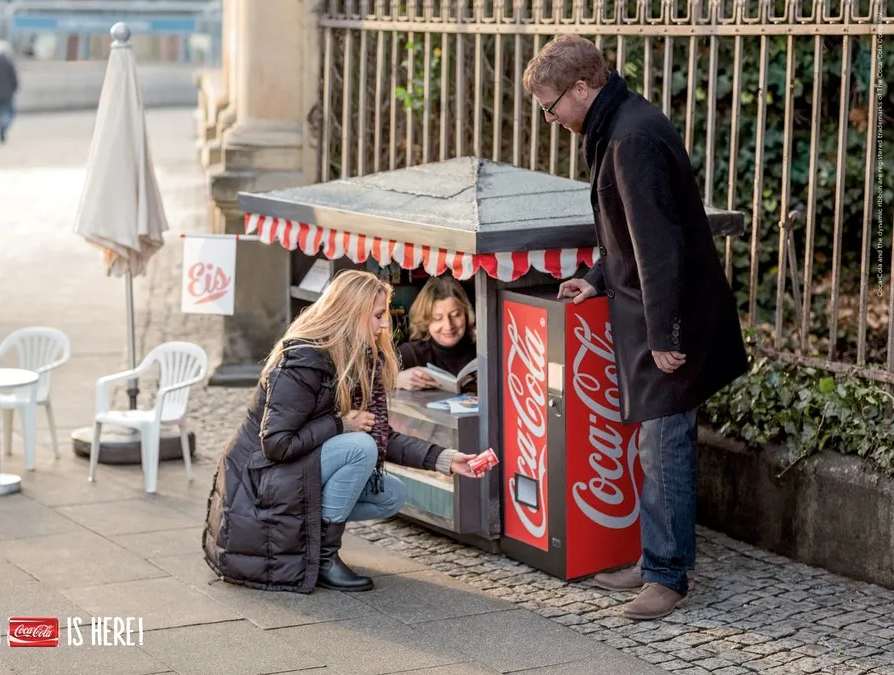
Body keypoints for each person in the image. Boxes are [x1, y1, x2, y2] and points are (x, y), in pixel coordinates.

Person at [523, 36, 748, 620]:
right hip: (656, 314)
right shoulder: (619, 124)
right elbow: (625, 232)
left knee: (664, 445)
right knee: (655, 443)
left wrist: (666, 335)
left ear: (581, 88)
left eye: (550, 107)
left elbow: (659, 246)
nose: (550, 120)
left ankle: (667, 577)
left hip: (669, 321)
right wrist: (595, 279)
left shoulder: (630, 138)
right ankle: (656, 563)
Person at [203, 270, 483, 593]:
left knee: (391, 494)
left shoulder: (355, 358)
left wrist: (445, 459)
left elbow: (381, 435)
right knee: (359, 447)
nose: (384, 325)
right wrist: (341, 424)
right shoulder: (302, 361)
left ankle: (310, 540)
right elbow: (276, 445)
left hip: (290, 474)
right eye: (378, 315)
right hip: (258, 486)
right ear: (352, 313)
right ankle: (324, 557)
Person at [396, 275, 477, 391]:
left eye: (455, 315)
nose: (448, 326)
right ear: (424, 320)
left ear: (467, 314)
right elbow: (370, 380)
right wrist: (395, 380)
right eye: (437, 318)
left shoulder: (481, 351)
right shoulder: (411, 354)